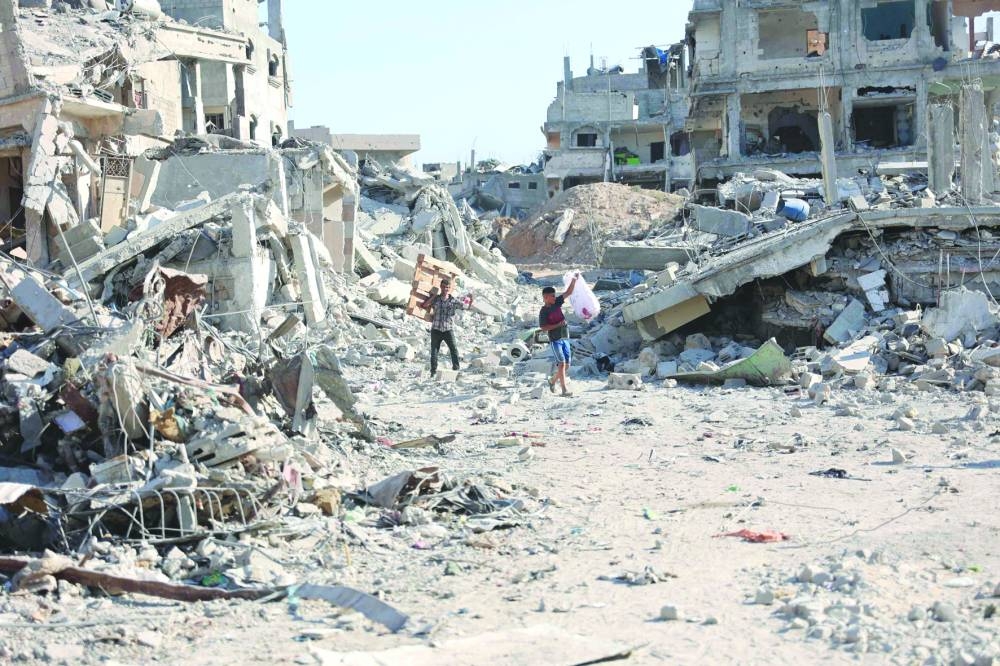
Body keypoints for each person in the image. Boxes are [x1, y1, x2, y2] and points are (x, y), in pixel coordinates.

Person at [420, 277, 473, 377]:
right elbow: (424, 305)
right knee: (434, 352)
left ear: (450, 288)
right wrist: (433, 296)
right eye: (444, 287)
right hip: (436, 329)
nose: (445, 289)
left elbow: (465, 306)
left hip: (448, 329)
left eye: (448, 287)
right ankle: (433, 372)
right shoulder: (436, 299)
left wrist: (469, 299)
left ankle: (456, 370)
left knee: (454, 350)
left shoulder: (453, 301)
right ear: (441, 287)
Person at [538, 274, 579, 397]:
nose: (554, 297)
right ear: (545, 298)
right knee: (561, 363)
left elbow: (568, 292)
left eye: (555, 295)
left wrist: (573, 280)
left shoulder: (557, 303)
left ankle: (552, 380)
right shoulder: (543, 311)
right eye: (552, 296)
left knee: (566, 365)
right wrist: (557, 325)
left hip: (565, 337)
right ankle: (564, 390)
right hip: (555, 339)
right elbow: (543, 327)